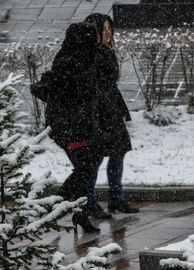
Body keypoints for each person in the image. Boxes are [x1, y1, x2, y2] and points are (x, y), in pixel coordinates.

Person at [31, 22, 101, 233]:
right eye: (93, 37)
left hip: (78, 125)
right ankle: (56, 204)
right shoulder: (69, 61)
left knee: (86, 169)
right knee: (85, 169)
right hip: (69, 128)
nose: (96, 41)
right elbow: (67, 98)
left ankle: (77, 213)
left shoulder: (80, 57)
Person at [83, 13, 139, 217]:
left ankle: (116, 197)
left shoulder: (107, 51)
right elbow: (91, 85)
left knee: (118, 152)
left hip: (111, 110)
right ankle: (89, 202)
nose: (107, 33)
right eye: (103, 29)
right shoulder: (90, 54)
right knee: (94, 158)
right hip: (98, 113)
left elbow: (109, 83)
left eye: (109, 28)